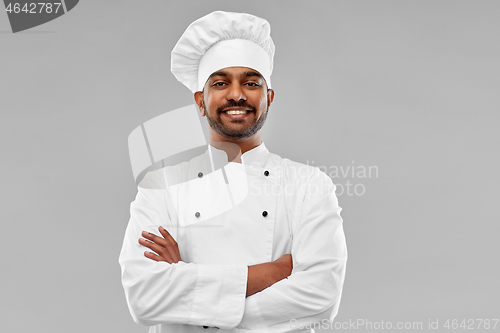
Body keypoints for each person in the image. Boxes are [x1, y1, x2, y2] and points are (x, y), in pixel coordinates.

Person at [119, 11, 347, 333]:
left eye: (251, 82)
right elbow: (144, 298)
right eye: (221, 82)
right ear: (200, 101)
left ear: (268, 98)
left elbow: (321, 296)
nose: (237, 94)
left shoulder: (309, 185)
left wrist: (188, 290)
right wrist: (275, 271)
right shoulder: (162, 186)